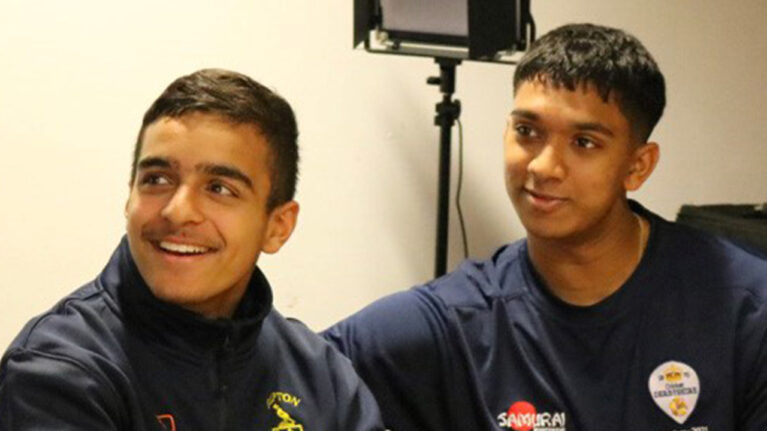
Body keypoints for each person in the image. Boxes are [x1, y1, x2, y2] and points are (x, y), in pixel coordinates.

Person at [323, 23, 767, 431]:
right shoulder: (452, 323)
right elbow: (295, 371)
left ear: (638, 166)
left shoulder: (744, 309)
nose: (543, 166)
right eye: (527, 131)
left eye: (584, 142)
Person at [0, 68, 384, 430]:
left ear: (278, 226)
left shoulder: (321, 374)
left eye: (219, 188)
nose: (177, 211)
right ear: (129, 196)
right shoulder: (58, 371)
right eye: (157, 179)